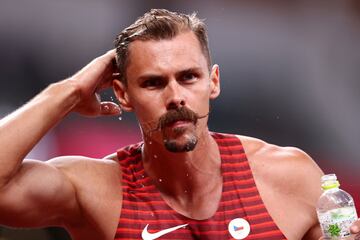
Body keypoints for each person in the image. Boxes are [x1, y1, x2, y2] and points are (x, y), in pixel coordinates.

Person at [0, 8, 358, 240]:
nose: (175, 97)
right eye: (153, 83)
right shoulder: (95, 191)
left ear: (213, 82)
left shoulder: (288, 176)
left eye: (188, 77)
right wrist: (70, 90)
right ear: (123, 95)